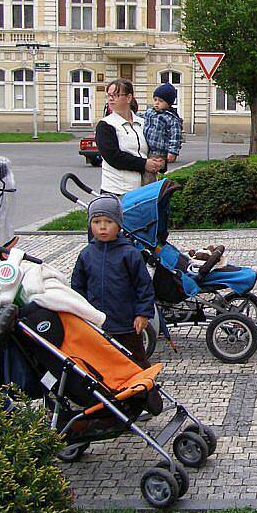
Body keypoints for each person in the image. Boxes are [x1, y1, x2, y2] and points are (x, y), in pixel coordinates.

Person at [71, 195, 155, 368]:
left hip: (127, 324)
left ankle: (144, 394)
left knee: (136, 364)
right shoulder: (86, 254)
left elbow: (143, 286)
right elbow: (78, 287)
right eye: (97, 222)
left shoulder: (129, 253)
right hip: (97, 324)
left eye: (108, 221)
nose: (102, 227)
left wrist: (143, 313)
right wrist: (81, 312)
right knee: (100, 365)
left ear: (118, 224)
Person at [95, 79, 163, 195]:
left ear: (128, 98)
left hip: (145, 189)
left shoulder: (143, 123)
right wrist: (144, 164)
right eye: (109, 95)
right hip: (117, 190)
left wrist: (160, 163)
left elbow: (154, 146)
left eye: (116, 95)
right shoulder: (106, 125)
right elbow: (113, 157)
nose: (111, 99)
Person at [142, 82, 184, 171]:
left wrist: (172, 152)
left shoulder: (171, 118)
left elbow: (175, 137)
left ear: (168, 103)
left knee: (151, 173)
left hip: (159, 152)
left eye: (160, 101)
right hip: (145, 149)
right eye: (155, 100)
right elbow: (140, 118)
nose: (157, 103)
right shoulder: (150, 112)